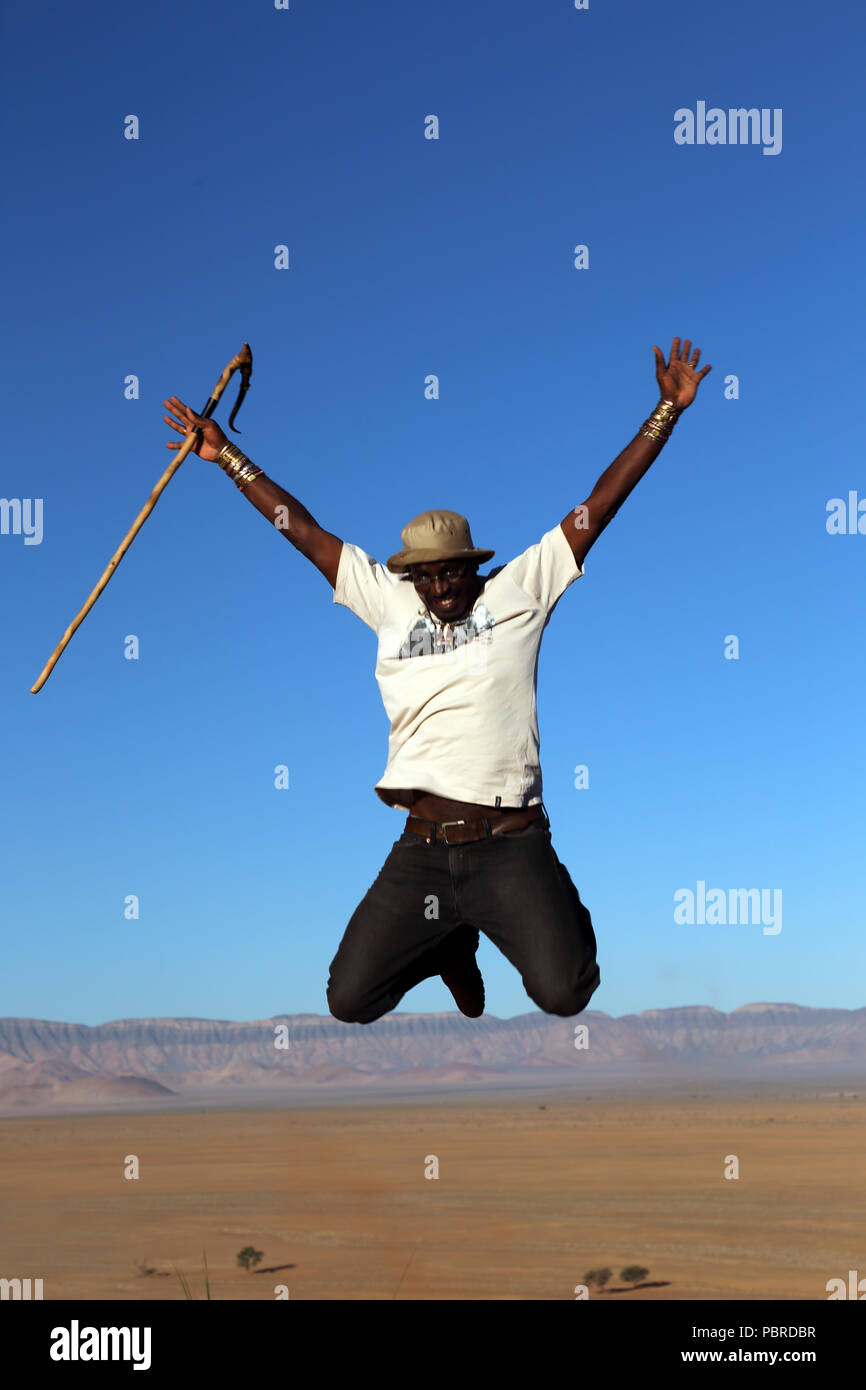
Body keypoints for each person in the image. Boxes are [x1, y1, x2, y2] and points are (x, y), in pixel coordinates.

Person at [164, 336, 711, 1023]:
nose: (442, 584)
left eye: (453, 569)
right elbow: (300, 530)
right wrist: (227, 458)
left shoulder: (519, 590)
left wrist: (665, 411)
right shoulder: (385, 602)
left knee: (565, 994)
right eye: (427, 574)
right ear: (410, 576)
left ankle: (551, 909)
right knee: (349, 999)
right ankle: (450, 944)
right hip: (421, 850)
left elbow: (597, 506)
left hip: (510, 847)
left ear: (472, 565)